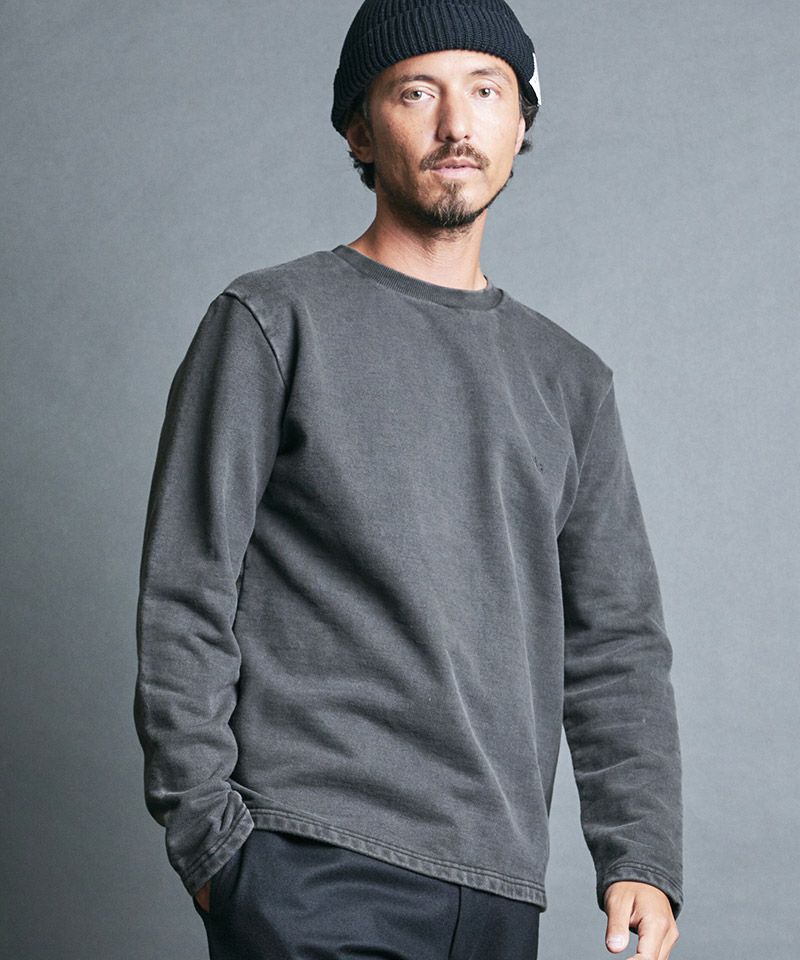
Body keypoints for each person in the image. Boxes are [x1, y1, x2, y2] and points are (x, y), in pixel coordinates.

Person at [133, 1, 684, 958]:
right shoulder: (271, 322)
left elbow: (616, 641)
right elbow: (187, 589)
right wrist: (213, 846)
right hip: (309, 861)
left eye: (487, 90)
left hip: (499, 887)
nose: (457, 124)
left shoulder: (571, 381)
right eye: (417, 91)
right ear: (360, 129)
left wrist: (639, 852)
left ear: (520, 123)